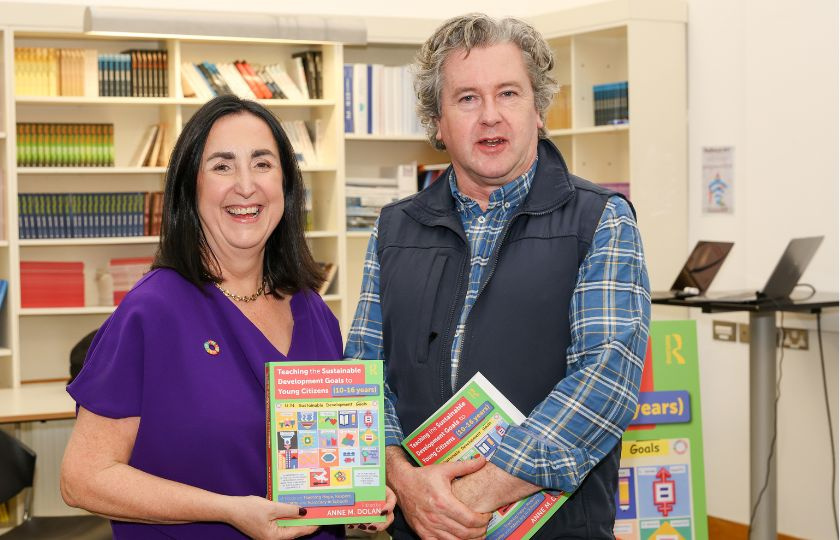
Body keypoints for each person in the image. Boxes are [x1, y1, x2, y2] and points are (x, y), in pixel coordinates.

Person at [345, 13, 651, 539]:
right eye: (466, 98)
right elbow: (363, 376)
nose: (490, 116)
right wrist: (406, 484)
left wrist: (472, 495)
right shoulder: (394, 228)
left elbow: (606, 380)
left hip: (555, 527)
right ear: (437, 123)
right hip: (419, 524)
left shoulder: (601, 219)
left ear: (538, 110)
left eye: (508, 93)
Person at [61, 95, 394, 539]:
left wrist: (358, 498)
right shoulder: (152, 312)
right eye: (222, 166)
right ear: (190, 187)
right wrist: (227, 510)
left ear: (286, 185)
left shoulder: (314, 313)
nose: (246, 185)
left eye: (262, 164)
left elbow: (320, 472)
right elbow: (83, 478)